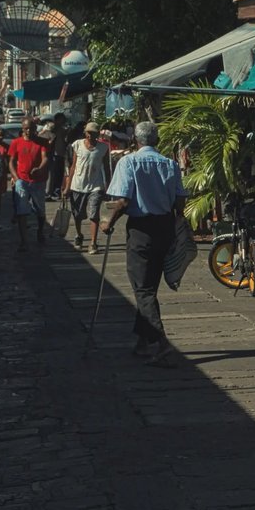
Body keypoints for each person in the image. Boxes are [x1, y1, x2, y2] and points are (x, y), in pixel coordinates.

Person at [102, 120, 184, 363]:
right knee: (149, 286)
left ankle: (161, 341)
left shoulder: (129, 162)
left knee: (143, 288)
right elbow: (180, 202)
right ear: (156, 140)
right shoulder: (169, 163)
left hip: (142, 230)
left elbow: (123, 201)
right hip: (165, 227)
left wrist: (109, 221)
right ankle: (142, 340)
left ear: (136, 141)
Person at [65, 121, 113, 252]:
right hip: (78, 184)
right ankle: (79, 235)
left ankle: (93, 242)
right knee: (77, 214)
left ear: (98, 134)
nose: (90, 136)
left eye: (93, 133)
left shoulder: (103, 147)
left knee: (94, 214)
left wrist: (108, 186)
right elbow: (73, 166)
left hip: (95, 186)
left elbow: (107, 169)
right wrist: (67, 186)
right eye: (88, 133)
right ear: (85, 133)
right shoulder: (78, 145)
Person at [6, 122, 51, 250]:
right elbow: (11, 162)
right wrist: (15, 177)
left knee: (40, 209)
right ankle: (24, 240)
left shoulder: (42, 142)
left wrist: (40, 168)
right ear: (22, 129)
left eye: (31, 129)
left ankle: (40, 231)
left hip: (38, 181)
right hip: (22, 180)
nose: (28, 131)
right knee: (21, 210)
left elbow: (45, 158)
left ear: (35, 129)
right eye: (26, 129)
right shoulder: (16, 142)